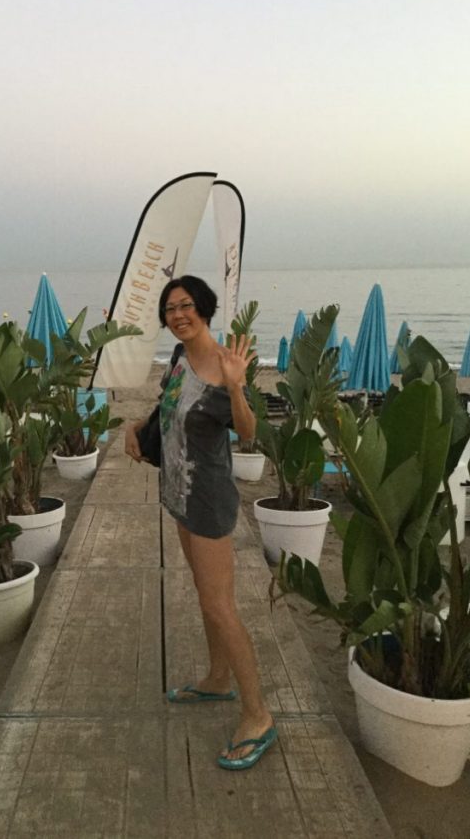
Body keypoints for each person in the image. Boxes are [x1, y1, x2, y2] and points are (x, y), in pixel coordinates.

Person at [125, 275, 276, 771]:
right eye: (170, 309)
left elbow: (248, 433)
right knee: (205, 596)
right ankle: (217, 678)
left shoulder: (225, 365)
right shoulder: (178, 357)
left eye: (186, 305)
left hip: (208, 500)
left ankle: (258, 716)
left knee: (220, 606)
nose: (177, 315)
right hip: (178, 492)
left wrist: (236, 387)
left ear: (204, 308)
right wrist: (138, 427)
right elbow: (168, 405)